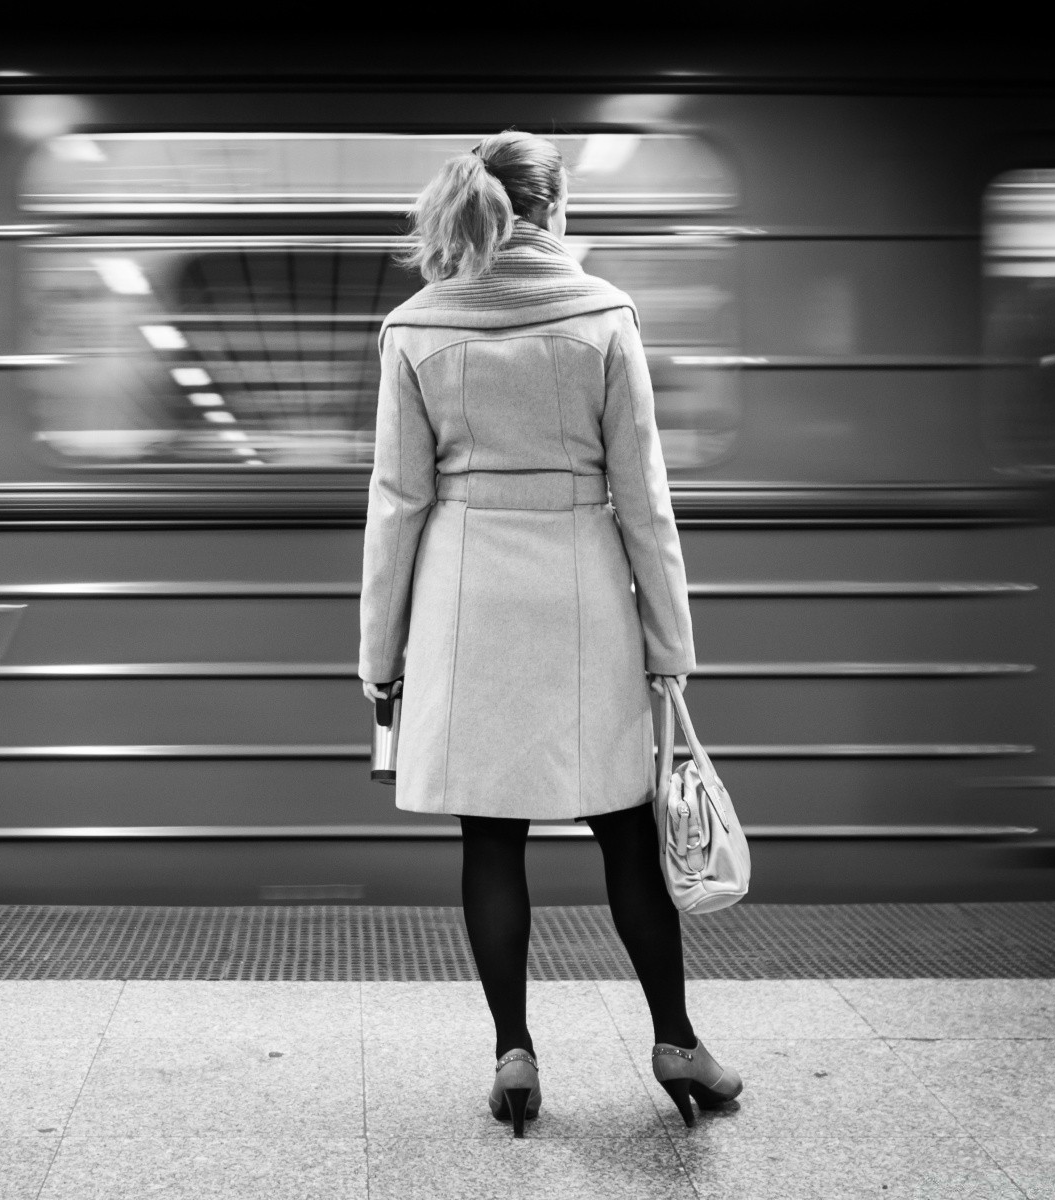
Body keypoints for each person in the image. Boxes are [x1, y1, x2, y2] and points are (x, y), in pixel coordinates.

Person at [358, 130, 742, 1136]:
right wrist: (670, 645)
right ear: (555, 209)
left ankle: (514, 1057)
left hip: (462, 597)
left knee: (492, 839)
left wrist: (379, 656)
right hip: (582, 591)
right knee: (626, 832)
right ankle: (674, 1040)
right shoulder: (604, 315)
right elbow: (644, 499)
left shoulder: (414, 328)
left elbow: (397, 502)